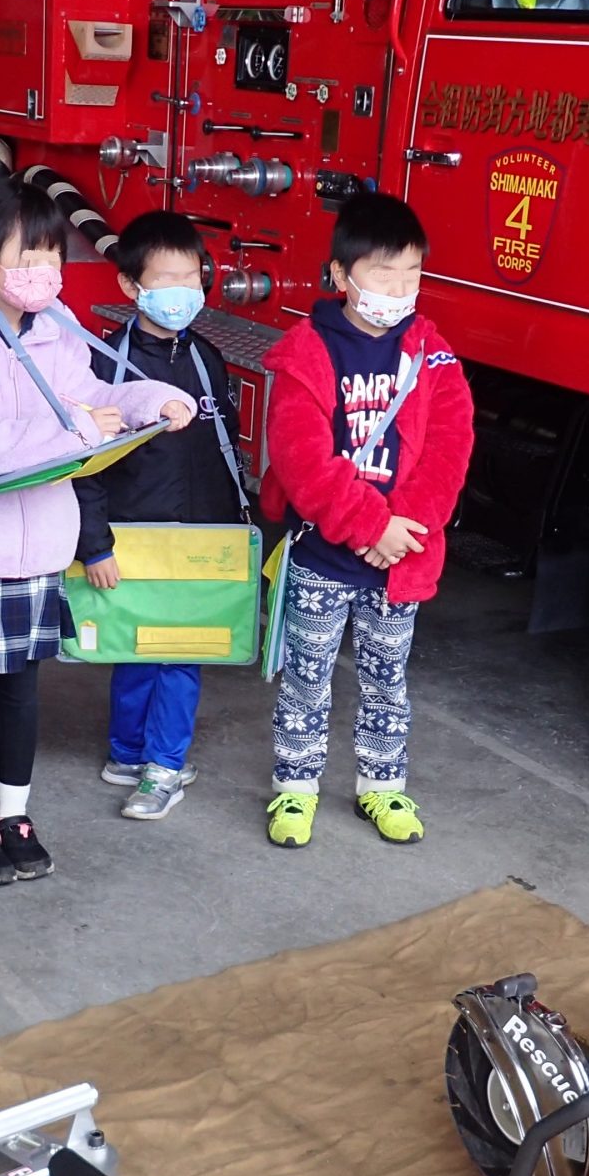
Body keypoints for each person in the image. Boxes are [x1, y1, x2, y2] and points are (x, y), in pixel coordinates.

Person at [0, 179, 195, 885]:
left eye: (52, 260)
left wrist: (153, 397)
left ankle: (16, 812)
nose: (44, 275)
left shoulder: (55, 329)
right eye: (28, 259)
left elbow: (97, 397)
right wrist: (74, 427)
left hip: (38, 547)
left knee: (23, 689)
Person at [259, 191, 475, 849]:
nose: (401, 290)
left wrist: (405, 526)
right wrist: (367, 525)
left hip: (398, 558)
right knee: (307, 679)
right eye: (385, 275)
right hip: (325, 556)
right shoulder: (305, 353)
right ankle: (294, 789)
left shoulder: (430, 353)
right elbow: (301, 462)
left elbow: (451, 442)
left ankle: (381, 786)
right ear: (340, 275)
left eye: (413, 275)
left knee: (388, 682)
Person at [76, 211, 245, 821]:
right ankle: (128, 754)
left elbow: (224, 449)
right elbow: (83, 465)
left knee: (179, 651)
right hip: (133, 537)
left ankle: (162, 767)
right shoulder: (104, 365)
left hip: (201, 537)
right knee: (136, 649)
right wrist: (94, 544)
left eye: (192, 278)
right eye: (166, 279)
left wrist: (235, 538)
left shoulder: (207, 358)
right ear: (131, 287)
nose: (182, 293)